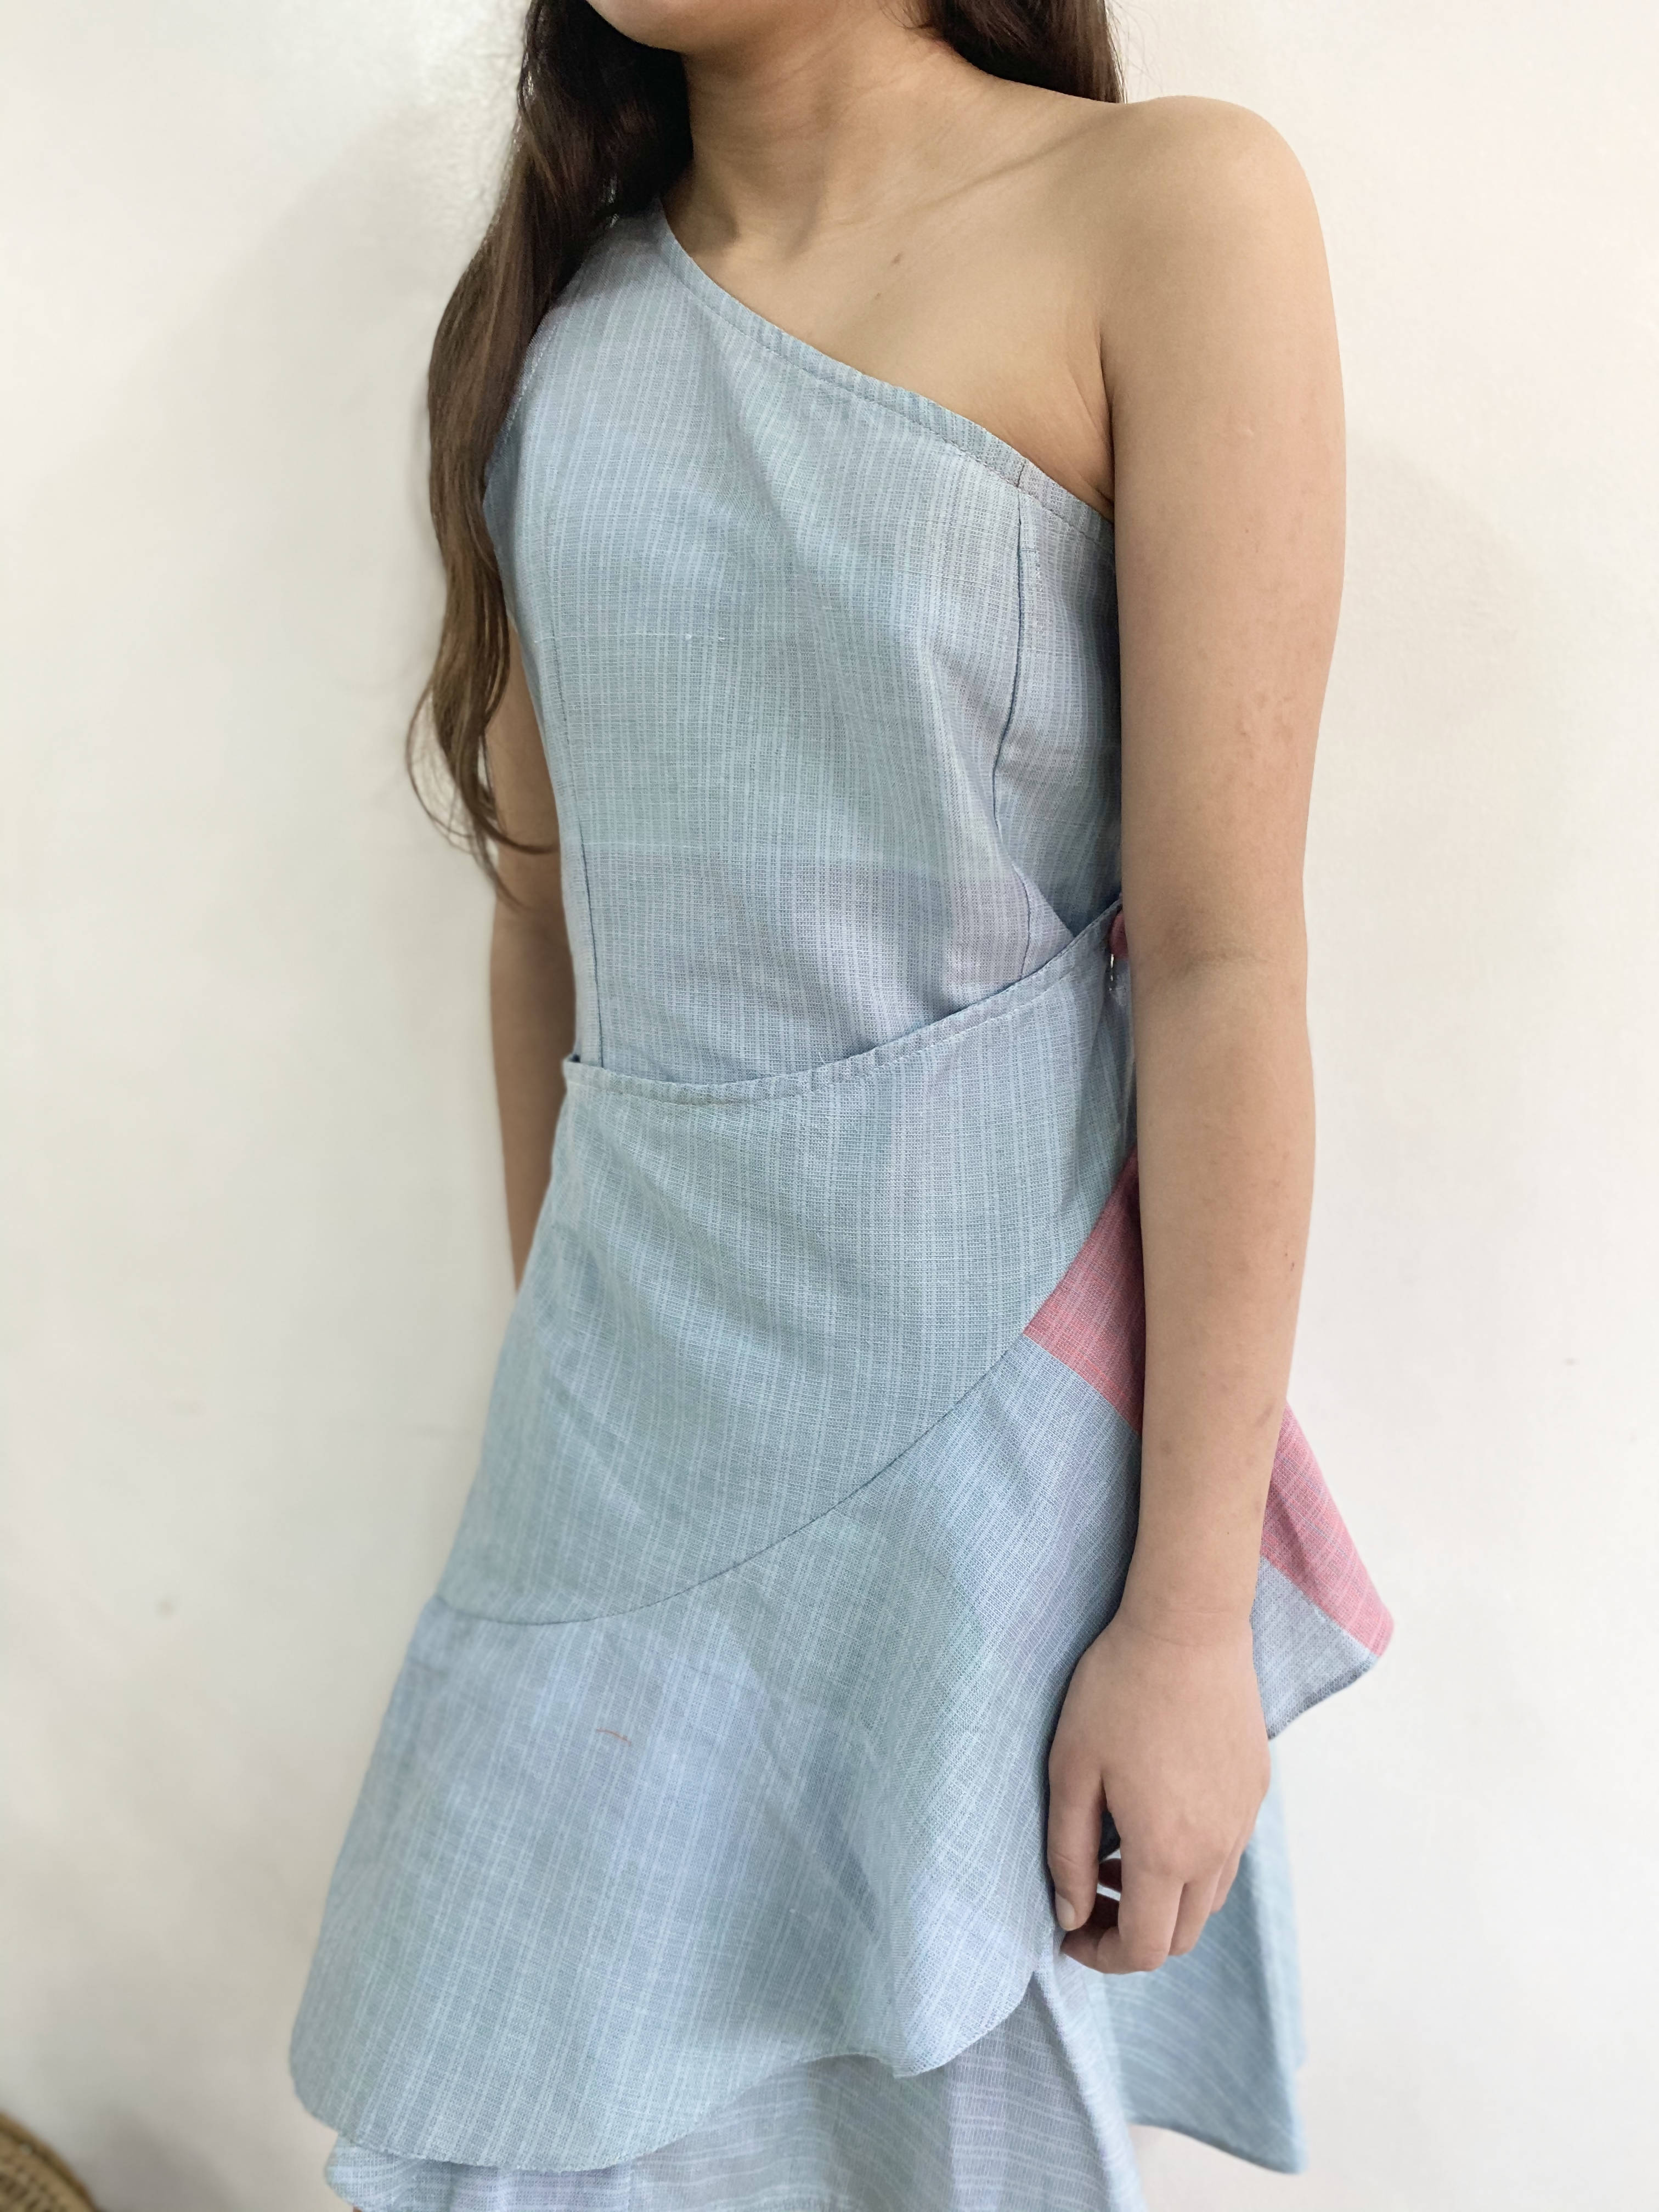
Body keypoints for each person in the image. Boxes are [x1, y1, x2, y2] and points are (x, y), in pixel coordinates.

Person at [290, 2, 1391, 2205]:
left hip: (981, 1456)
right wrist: (587, 1426)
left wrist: (1186, 1620)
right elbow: (549, 930)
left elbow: (1220, 960)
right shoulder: (561, 324)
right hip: (614, 1463)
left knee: (936, 2136)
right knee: (518, 2123)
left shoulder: (1166, 212)